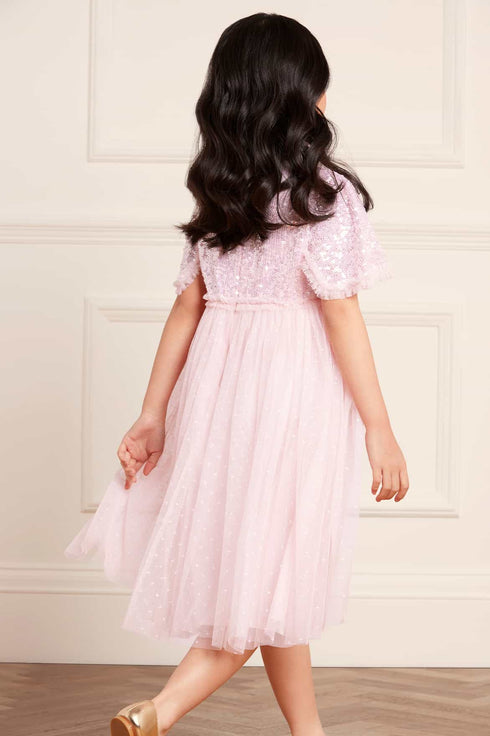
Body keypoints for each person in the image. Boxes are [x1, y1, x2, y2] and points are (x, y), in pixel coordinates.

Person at [64, 12, 409, 736]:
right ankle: (158, 712)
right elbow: (341, 314)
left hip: (217, 393)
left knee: (271, 571)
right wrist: (379, 427)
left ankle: (307, 732)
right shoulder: (322, 194)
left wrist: (153, 413)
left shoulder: (222, 190)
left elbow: (186, 310)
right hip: (292, 395)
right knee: (270, 574)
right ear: (299, 98)